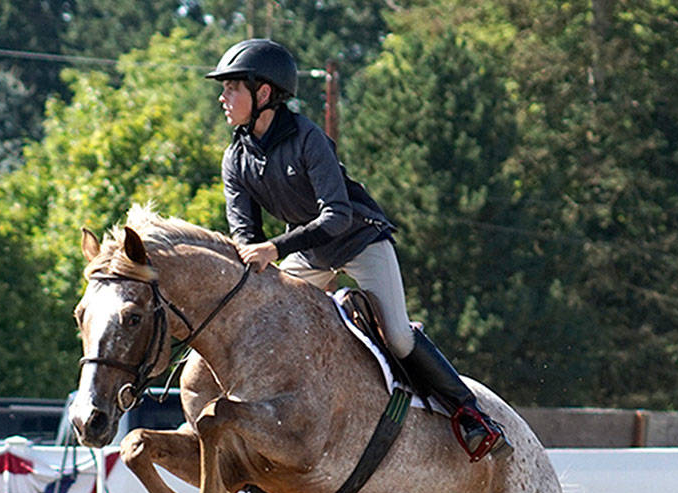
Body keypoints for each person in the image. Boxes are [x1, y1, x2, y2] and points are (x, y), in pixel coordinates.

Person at [206, 38, 511, 461]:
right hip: (310, 252)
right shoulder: (235, 158)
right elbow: (245, 235)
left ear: (263, 94)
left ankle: (472, 417)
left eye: (232, 88)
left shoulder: (308, 138)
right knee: (265, 318)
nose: (223, 98)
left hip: (358, 239)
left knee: (399, 337)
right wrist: (254, 256)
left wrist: (273, 249)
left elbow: (336, 217)